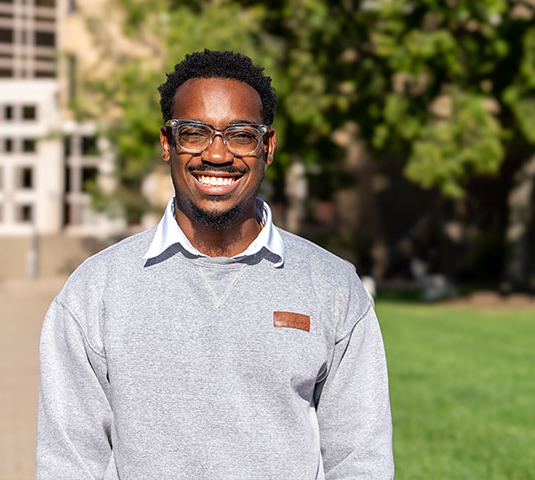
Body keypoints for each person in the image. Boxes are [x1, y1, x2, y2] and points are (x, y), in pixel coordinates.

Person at [36, 49, 394, 480]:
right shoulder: (94, 290)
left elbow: (360, 458)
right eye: (195, 133)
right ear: (168, 144)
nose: (217, 155)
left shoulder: (333, 287)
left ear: (268, 147)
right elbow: (69, 460)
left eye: (240, 134)